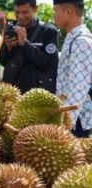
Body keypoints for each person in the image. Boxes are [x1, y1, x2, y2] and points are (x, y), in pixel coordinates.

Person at [0, 0, 59, 94]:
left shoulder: (48, 31)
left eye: (25, 12)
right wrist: (8, 48)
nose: (20, 17)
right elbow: (3, 62)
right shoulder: (11, 29)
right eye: (17, 12)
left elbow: (48, 63)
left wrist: (25, 44)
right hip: (12, 94)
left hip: (38, 94)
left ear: (35, 8)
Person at [53, 0, 92, 138]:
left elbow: (79, 87)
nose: (53, 16)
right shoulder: (72, 38)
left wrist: (66, 126)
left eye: (55, 11)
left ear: (68, 12)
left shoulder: (80, 41)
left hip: (77, 121)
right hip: (71, 118)